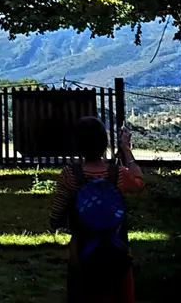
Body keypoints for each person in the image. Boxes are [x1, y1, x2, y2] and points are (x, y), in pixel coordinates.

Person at [48, 115, 145, 303]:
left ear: (78, 144)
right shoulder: (118, 173)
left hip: (82, 250)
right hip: (117, 248)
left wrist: (57, 224)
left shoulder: (70, 175)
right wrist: (126, 150)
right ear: (104, 143)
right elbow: (140, 184)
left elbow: (56, 214)